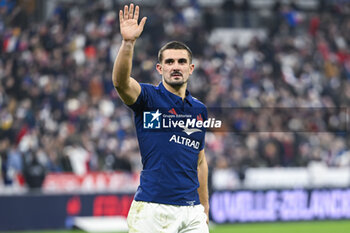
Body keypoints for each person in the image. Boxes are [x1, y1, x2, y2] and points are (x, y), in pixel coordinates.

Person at [112, 4, 209, 233]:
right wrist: (128, 43)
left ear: (191, 68)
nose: (176, 67)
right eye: (169, 62)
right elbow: (121, 82)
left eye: (182, 62)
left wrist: (204, 207)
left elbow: (200, 161)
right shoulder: (148, 98)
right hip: (153, 210)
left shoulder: (199, 110)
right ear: (159, 68)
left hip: (192, 212)